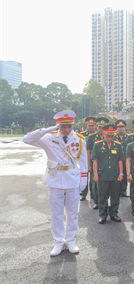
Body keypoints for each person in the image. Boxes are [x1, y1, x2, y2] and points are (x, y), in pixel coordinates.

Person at [23, 110, 88, 256]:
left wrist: (84, 180)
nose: (66, 129)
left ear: (72, 125)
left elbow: (84, 162)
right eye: (63, 126)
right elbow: (26, 139)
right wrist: (46, 130)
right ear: (58, 126)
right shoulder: (48, 137)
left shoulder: (79, 139)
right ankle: (58, 241)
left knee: (72, 213)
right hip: (55, 179)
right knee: (56, 214)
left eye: (69, 126)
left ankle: (71, 240)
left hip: (72, 179)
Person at [91, 124, 124, 224]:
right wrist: (95, 174)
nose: (110, 138)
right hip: (102, 175)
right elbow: (95, 161)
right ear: (104, 134)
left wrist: (121, 173)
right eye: (108, 136)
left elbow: (120, 161)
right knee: (102, 196)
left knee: (115, 196)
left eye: (112, 136)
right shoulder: (97, 145)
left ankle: (114, 213)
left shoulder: (118, 145)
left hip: (114, 175)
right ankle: (103, 215)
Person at [86, 117, 109, 209]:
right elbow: (88, 152)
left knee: (106, 183)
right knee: (95, 183)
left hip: (106, 163)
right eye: (100, 127)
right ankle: (97, 202)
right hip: (94, 163)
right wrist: (88, 165)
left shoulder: (110, 136)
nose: (102, 129)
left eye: (103, 127)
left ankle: (105, 201)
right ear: (97, 127)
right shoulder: (91, 137)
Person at [80, 116, 97, 201]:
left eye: (93, 125)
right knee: (84, 176)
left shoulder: (97, 136)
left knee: (93, 178)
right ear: (87, 126)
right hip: (83, 159)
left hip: (93, 159)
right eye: (89, 125)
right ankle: (83, 193)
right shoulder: (82, 135)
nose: (91, 127)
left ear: (95, 126)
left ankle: (93, 194)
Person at [115, 119, 129, 198]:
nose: (121, 128)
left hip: (125, 161)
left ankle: (124, 191)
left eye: (122, 127)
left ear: (124, 128)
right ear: (117, 128)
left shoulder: (128, 137)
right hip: (116, 161)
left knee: (124, 176)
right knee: (117, 176)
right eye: (119, 127)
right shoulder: (114, 137)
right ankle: (116, 191)